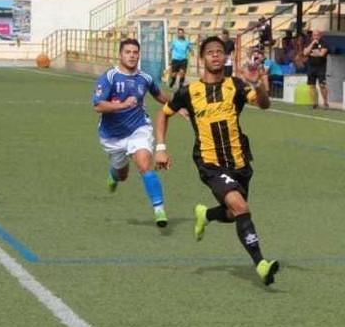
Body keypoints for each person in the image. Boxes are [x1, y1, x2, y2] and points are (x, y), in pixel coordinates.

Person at [153, 35, 280, 285]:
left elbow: (265, 105)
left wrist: (258, 85)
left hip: (240, 161)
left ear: (225, 57)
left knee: (234, 213)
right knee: (241, 207)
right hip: (210, 162)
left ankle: (207, 215)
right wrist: (160, 147)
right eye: (210, 52)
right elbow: (163, 114)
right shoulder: (189, 91)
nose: (215, 55)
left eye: (219, 51)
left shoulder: (237, 85)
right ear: (202, 59)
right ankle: (261, 264)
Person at [93, 38, 171, 227]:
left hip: (139, 128)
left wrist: (179, 106)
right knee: (122, 175)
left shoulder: (145, 78)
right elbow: (98, 106)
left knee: (144, 164)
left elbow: (159, 95)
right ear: (120, 55)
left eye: (135, 52)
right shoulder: (110, 77)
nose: (132, 55)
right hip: (112, 136)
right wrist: (121, 105)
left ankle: (159, 209)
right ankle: (114, 173)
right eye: (127, 52)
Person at [303, 29, 329, 109]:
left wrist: (316, 53)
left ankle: (325, 102)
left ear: (320, 35)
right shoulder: (309, 43)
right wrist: (312, 45)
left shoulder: (324, 43)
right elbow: (305, 53)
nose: (316, 37)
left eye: (317, 35)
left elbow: (322, 54)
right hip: (311, 66)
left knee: (322, 85)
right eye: (314, 35)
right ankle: (314, 103)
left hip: (321, 67)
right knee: (312, 85)